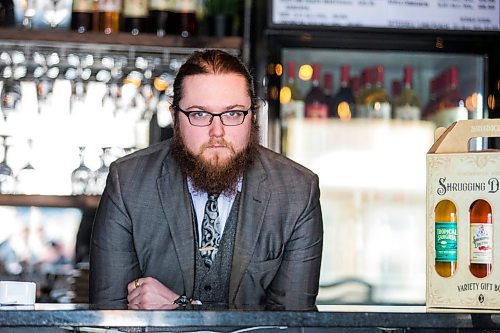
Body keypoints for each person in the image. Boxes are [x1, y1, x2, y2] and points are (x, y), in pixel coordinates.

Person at [89, 49, 323, 309]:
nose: (217, 131)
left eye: (233, 113)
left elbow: (292, 325)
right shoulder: (127, 182)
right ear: (175, 115)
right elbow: (108, 317)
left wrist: (183, 306)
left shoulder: (298, 192)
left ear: (253, 115)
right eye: (199, 114)